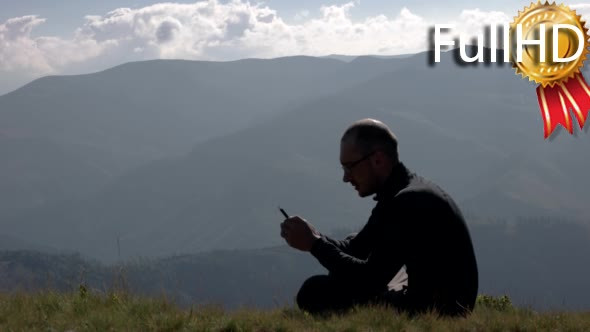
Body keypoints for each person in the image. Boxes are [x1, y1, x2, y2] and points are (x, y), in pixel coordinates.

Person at [280, 118, 478, 316]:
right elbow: (357, 249)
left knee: (314, 291)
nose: (346, 177)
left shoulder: (409, 202)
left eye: (350, 167)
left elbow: (369, 282)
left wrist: (315, 245)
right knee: (345, 262)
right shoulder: (401, 192)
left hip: (437, 312)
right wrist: (314, 236)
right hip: (436, 302)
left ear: (378, 160)